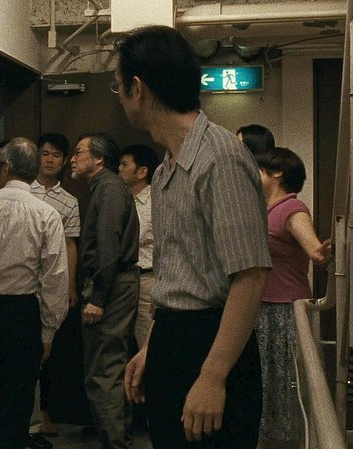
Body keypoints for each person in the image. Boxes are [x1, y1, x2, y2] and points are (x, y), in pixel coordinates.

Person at [116, 26, 272, 449]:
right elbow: (180, 275)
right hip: (172, 336)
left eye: (119, 86)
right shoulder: (166, 169)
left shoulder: (219, 158)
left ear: (138, 88)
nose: (119, 97)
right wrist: (152, 347)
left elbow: (251, 276)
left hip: (212, 343)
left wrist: (213, 376)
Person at [0, 137, 69, 449]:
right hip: (22, 314)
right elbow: (55, 280)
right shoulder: (47, 214)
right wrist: (48, 331)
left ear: (5, 167)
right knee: (17, 401)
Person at [253, 147, 331, 449]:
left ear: (277, 173)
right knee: (266, 384)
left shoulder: (292, 208)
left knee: (286, 384)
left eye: (259, 169)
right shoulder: (264, 209)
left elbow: (314, 250)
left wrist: (322, 254)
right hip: (263, 308)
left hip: (286, 310)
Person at [71, 132, 139, 449]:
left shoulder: (109, 187)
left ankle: (116, 443)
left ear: (98, 159)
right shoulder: (106, 186)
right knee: (107, 366)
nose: (72, 159)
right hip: (114, 281)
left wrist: (98, 297)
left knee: (104, 369)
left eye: (79, 152)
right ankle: (117, 440)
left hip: (111, 284)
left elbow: (109, 244)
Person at [28, 133, 81, 447]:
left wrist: (70, 283)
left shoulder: (69, 201)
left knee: (50, 349)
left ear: (63, 161)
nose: (49, 160)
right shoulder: (24, 191)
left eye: (55, 155)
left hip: (53, 280)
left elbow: (70, 244)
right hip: (24, 279)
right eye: (44, 153)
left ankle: (44, 412)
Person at [118, 144, 160, 349]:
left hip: (147, 278)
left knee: (147, 345)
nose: (119, 169)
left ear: (142, 171)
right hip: (124, 279)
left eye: (125, 164)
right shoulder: (122, 198)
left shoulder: (156, 200)